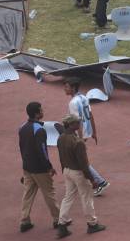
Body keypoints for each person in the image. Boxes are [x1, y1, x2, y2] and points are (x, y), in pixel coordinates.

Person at [55, 115, 107, 238]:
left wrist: (64, 170)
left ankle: (62, 224)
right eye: (77, 122)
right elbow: (84, 165)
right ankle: (92, 224)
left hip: (67, 170)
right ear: (71, 125)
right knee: (86, 198)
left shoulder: (61, 138)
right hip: (78, 173)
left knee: (68, 197)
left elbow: (61, 157)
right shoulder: (78, 142)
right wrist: (92, 179)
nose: (80, 124)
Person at [18, 101, 61, 233]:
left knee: (28, 194)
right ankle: (58, 220)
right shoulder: (40, 130)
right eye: (41, 110)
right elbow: (42, 150)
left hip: (27, 167)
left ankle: (24, 220)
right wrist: (49, 167)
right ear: (37, 114)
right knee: (49, 193)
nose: (43, 112)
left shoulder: (22, 127)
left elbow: (22, 148)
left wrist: (25, 164)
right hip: (39, 169)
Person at [63, 77, 109, 196]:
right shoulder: (84, 98)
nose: (65, 89)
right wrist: (94, 132)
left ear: (73, 88)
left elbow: (76, 122)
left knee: (81, 160)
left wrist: (78, 139)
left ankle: (100, 182)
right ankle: (82, 182)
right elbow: (90, 115)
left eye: (66, 86)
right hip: (86, 132)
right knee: (77, 160)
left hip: (79, 135)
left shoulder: (73, 103)